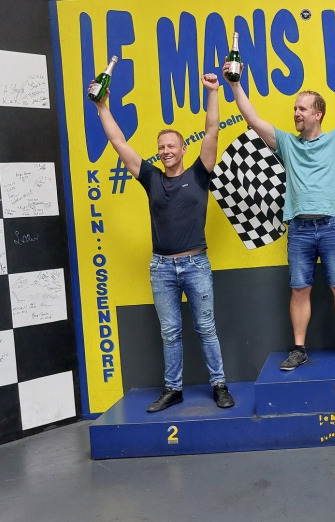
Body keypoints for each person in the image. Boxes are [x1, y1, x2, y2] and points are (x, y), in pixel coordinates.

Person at [222, 43, 335, 371]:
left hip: (332, 226)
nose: (296, 113)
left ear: (317, 114)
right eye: (295, 108)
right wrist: (235, 85)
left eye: (302, 109)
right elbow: (252, 119)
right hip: (298, 229)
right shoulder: (285, 143)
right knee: (299, 289)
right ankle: (299, 350)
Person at [89, 73, 235, 412]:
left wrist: (213, 92)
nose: (166, 151)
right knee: (170, 332)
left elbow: (212, 131)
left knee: (206, 329)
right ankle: (173, 389)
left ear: (183, 149)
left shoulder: (199, 173)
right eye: (161, 147)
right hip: (161, 269)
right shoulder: (151, 178)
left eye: (171, 146)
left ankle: (219, 385)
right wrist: (102, 108)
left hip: (196, 265)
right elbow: (119, 143)